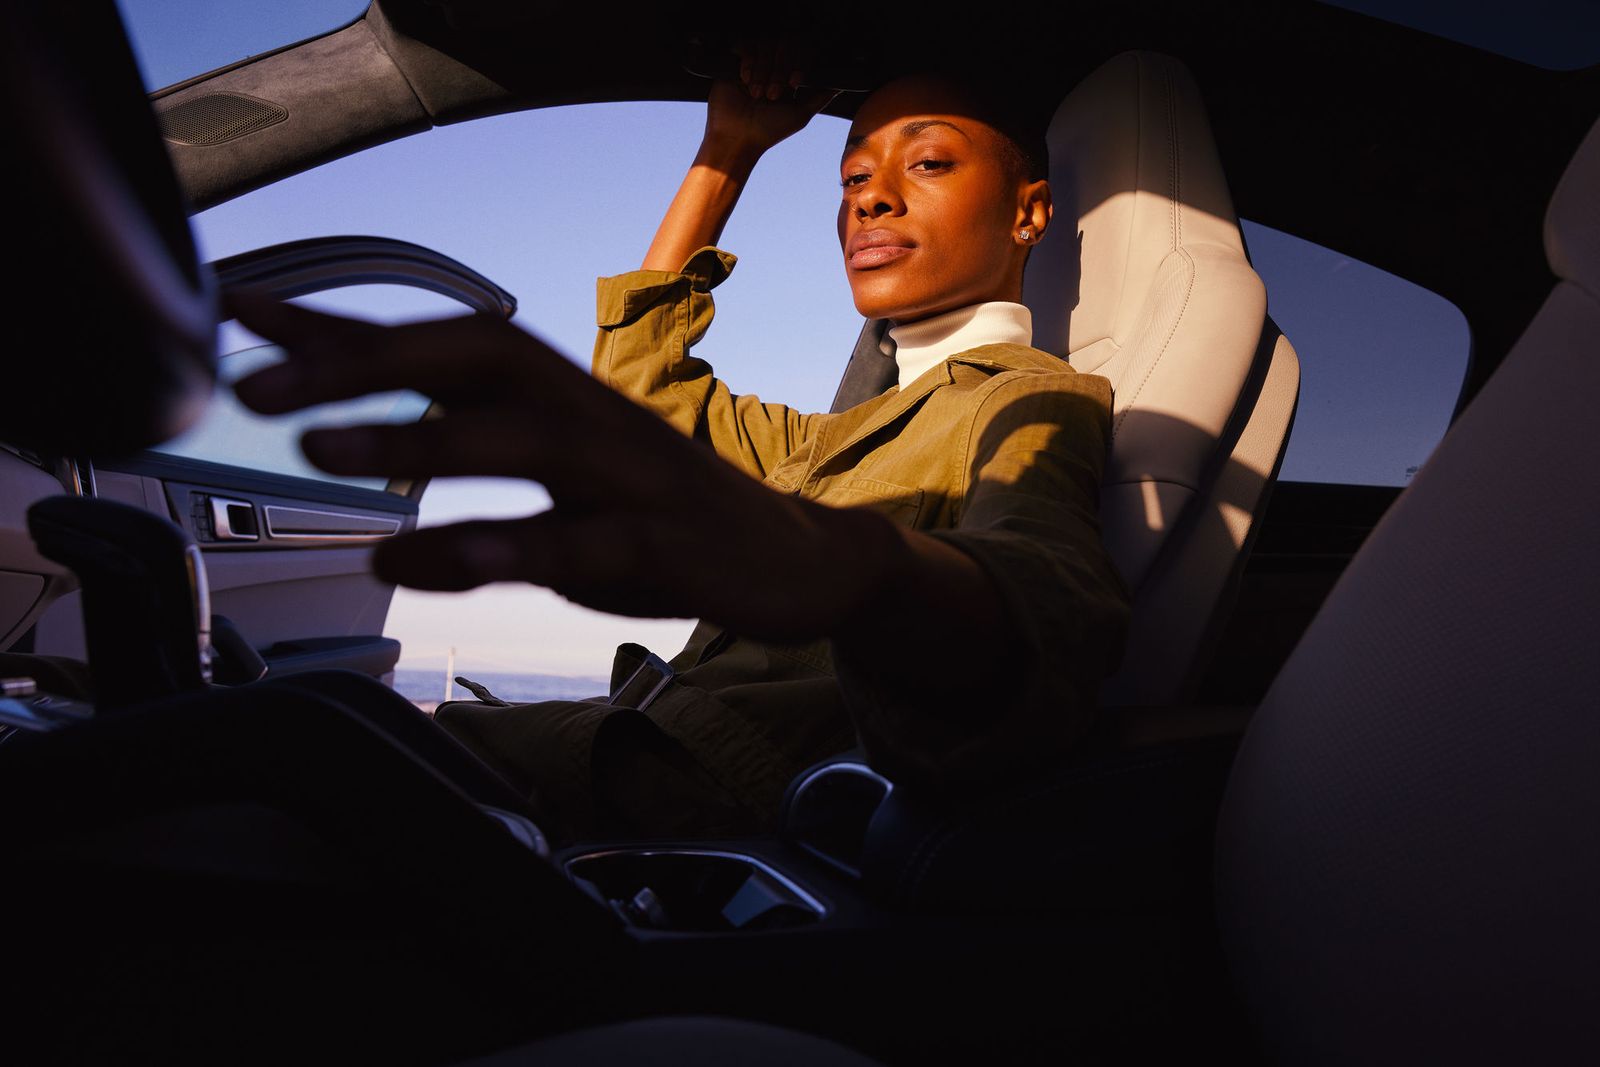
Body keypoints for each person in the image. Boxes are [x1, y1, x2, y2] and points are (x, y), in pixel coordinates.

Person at [225, 57, 1132, 849]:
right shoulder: (834, 433)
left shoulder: (1030, 400)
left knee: (265, 738)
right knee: (244, 715)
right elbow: (641, 392)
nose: (871, 196)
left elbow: (1050, 604)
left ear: (1029, 214)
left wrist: (854, 566)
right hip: (639, 745)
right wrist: (728, 150)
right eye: (852, 176)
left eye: (928, 162)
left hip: (707, 790)